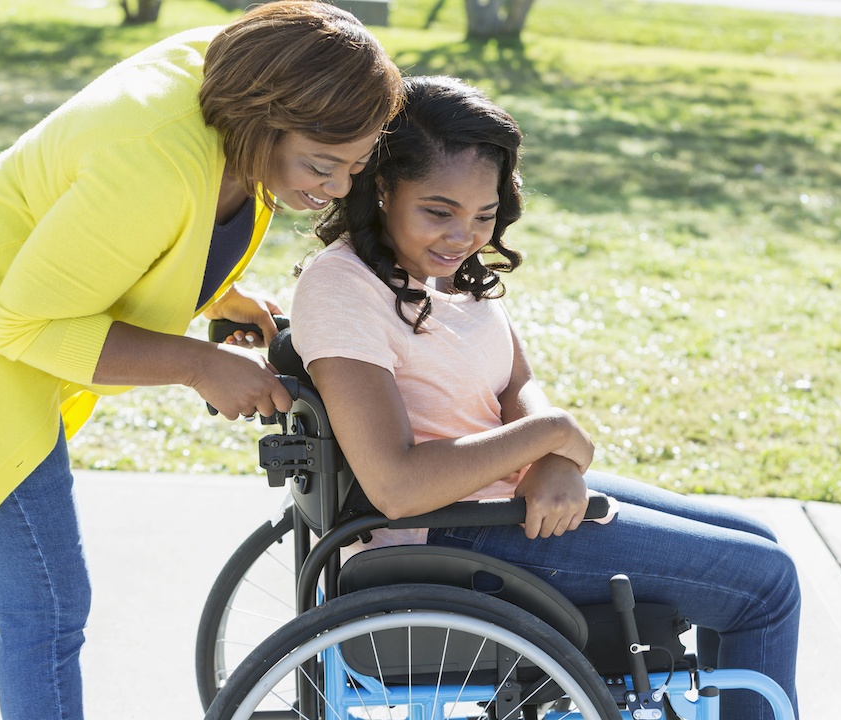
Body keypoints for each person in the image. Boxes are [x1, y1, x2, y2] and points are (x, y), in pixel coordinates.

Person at [0, 2, 403, 717]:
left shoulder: (236, 78)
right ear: (263, 119)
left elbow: (112, 235)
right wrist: (198, 365)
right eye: (322, 165)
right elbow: (25, 324)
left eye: (355, 167)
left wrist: (215, 294)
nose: (334, 188)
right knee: (46, 608)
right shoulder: (151, 159)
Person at [288, 75, 801, 720]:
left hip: (499, 499)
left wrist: (555, 458)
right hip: (449, 536)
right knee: (766, 585)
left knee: (756, 537)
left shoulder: (448, 278)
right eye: (438, 211)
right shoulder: (345, 289)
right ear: (383, 187)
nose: (463, 236)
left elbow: (514, 385)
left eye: (484, 215)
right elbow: (395, 486)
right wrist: (549, 436)